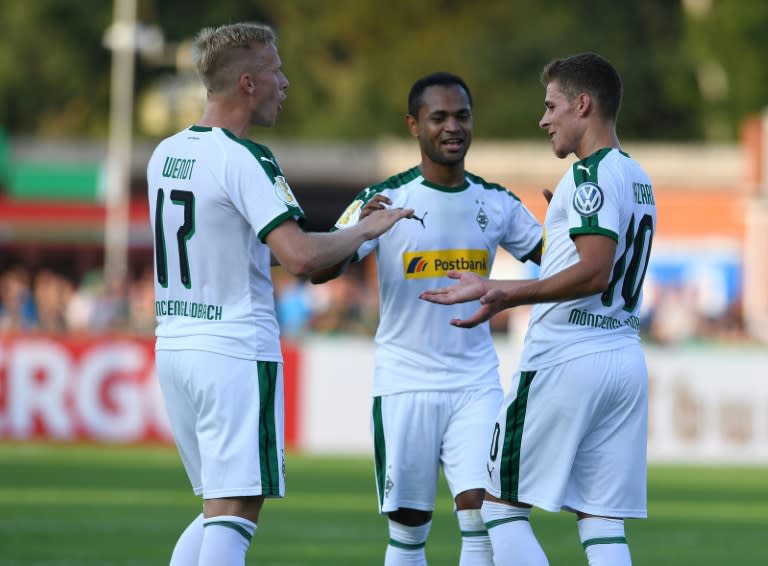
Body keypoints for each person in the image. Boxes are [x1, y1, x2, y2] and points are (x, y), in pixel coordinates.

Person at [146, 22, 412, 566]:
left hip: (176, 346)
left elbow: (241, 248)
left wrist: (339, 234)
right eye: (276, 71)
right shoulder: (246, 158)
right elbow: (300, 257)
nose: (285, 83)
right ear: (247, 82)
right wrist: (364, 232)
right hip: (233, 350)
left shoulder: (166, 154)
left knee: (215, 509)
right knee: (235, 511)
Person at [420, 53, 656, 566]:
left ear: (583, 105)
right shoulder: (636, 176)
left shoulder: (588, 177)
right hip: (623, 355)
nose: (544, 119)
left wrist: (505, 291)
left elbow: (595, 270)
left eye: (552, 106)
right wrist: (560, 229)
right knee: (601, 521)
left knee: (500, 509)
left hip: (567, 358)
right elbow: (596, 259)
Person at [310, 72, 543, 565]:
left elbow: (557, 263)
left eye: (462, 116)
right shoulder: (385, 198)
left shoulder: (496, 201)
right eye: (439, 118)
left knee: (481, 518)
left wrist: (565, 222)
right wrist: (359, 231)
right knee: (409, 532)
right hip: (404, 382)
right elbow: (320, 269)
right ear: (414, 125)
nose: (453, 127)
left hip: (475, 383)